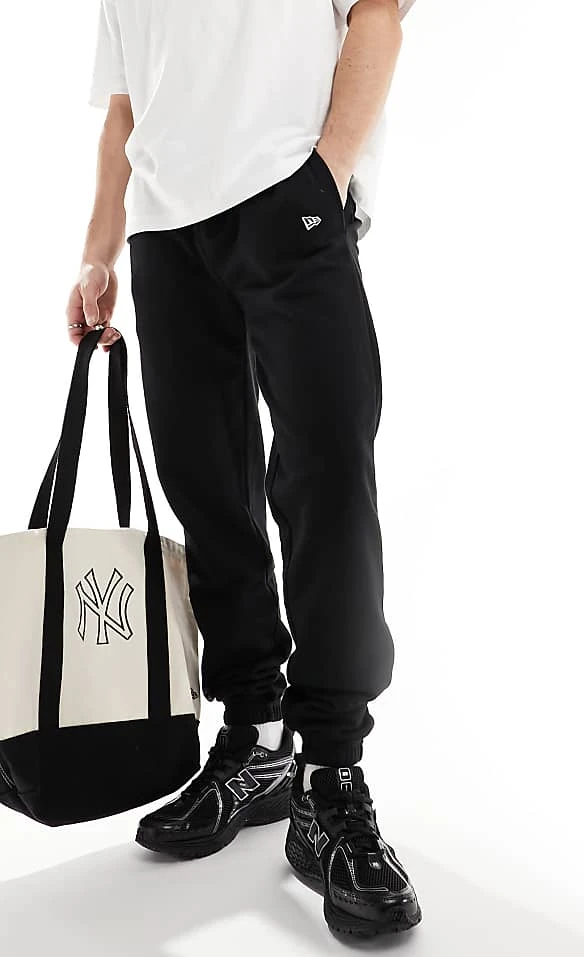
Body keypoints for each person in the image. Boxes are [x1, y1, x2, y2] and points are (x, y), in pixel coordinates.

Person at [65, 0, 421, 940]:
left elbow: (378, 15)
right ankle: (257, 739)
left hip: (286, 197)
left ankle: (331, 776)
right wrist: (100, 253)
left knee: (328, 480)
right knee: (208, 489)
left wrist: (324, 178)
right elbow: (125, 107)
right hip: (165, 235)